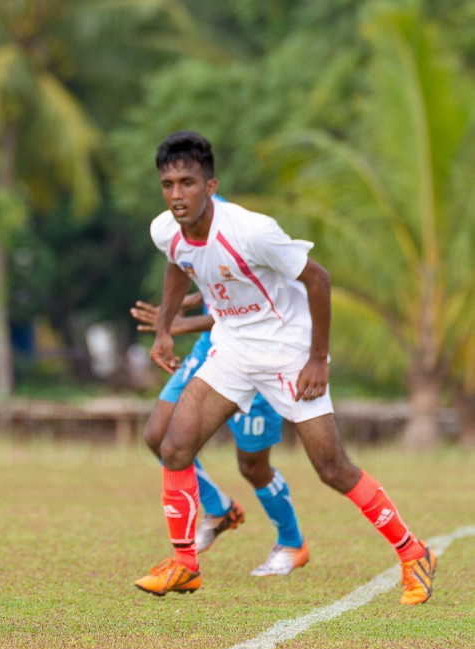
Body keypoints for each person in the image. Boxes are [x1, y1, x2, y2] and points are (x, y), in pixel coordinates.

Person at [134, 131, 435, 605]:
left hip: (288, 352)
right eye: (168, 184)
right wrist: (166, 328)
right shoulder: (165, 230)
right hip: (232, 349)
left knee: (332, 468)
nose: (176, 195)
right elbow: (178, 262)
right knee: (174, 445)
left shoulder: (252, 231)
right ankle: (185, 565)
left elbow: (318, 279)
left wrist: (317, 358)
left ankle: (414, 552)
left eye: (187, 183)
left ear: (210, 186)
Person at [132, 284, 309, 576]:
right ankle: (219, 509)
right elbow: (216, 276)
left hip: (252, 354)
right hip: (208, 349)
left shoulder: (255, 240)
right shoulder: (182, 239)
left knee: (253, 467)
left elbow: (251, 305)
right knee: (159, 435)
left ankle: (292, 543)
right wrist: (186, 302)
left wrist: (180, 324)